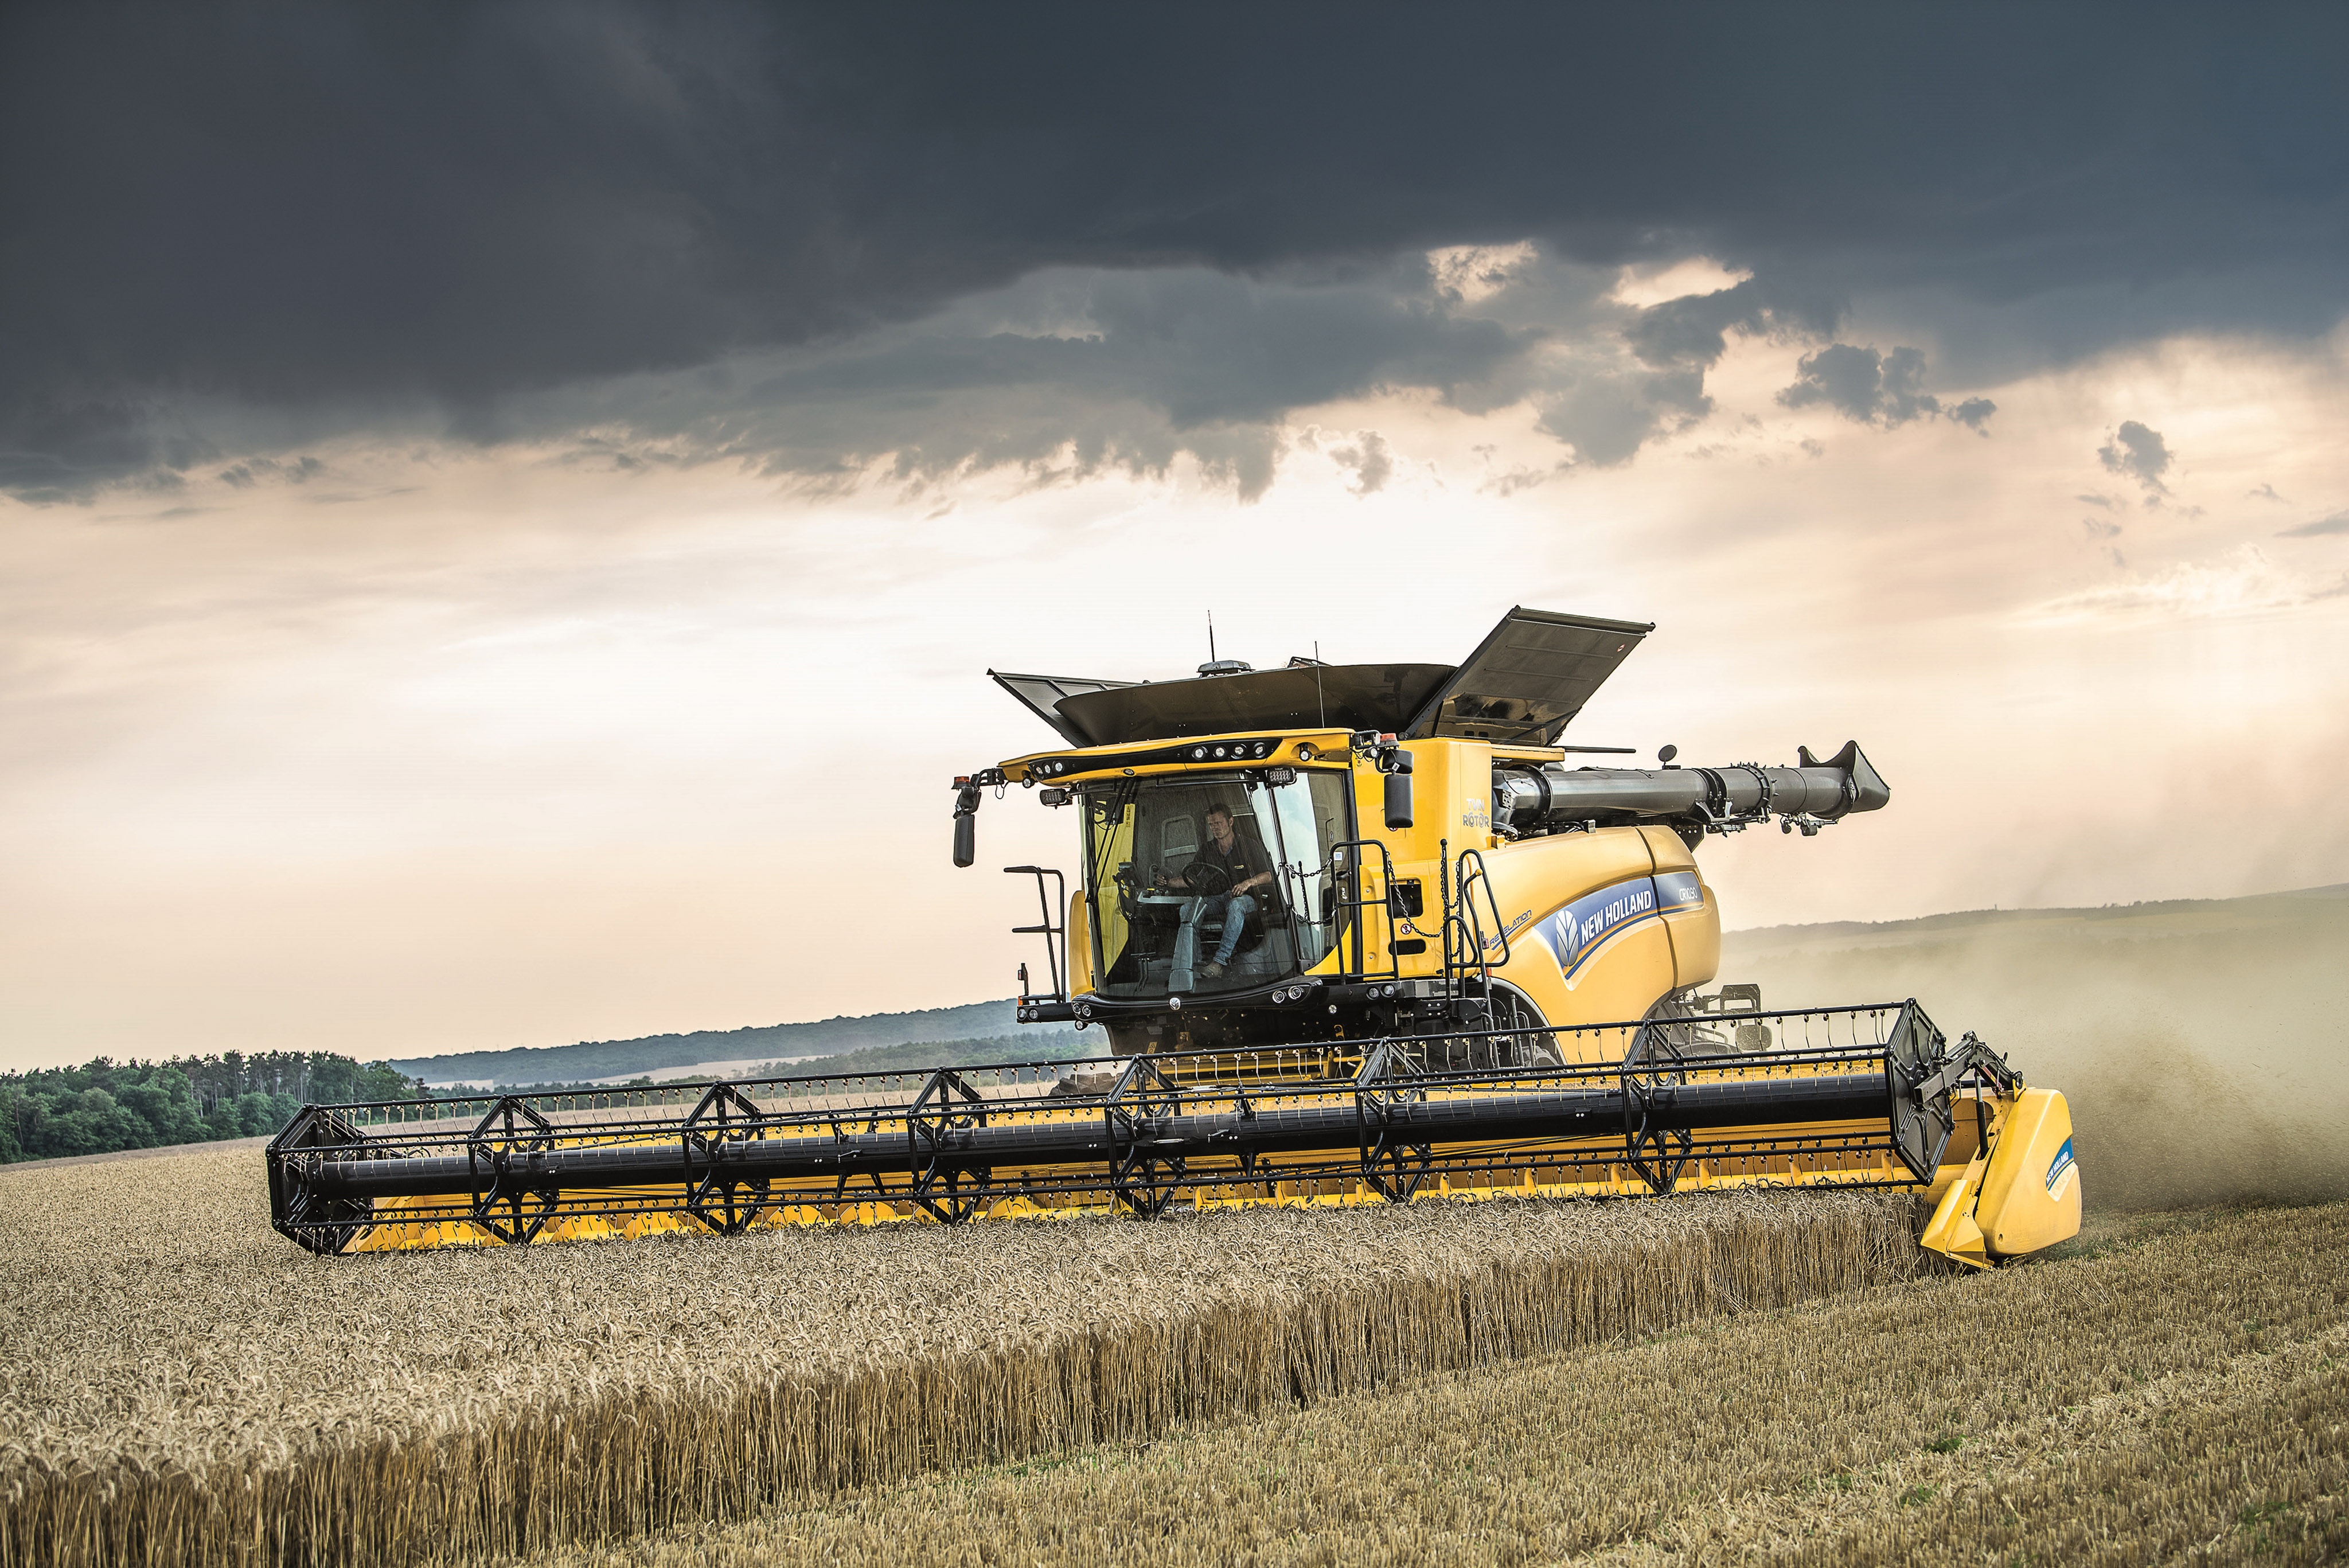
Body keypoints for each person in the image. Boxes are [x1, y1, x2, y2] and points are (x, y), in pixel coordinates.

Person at [1158, 803, 1274, 980]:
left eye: (1219, 823)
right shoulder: (1207, 849)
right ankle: (1194, 963)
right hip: (1217, 899)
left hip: (1246, 899)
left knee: (1236, 905)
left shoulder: (1249, 845)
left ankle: (1219, 963)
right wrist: (1168, 883)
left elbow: (1268, 875)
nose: (1215, 828)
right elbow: (1192, 879)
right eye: (1212, 825)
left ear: (1231, 822)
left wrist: (1247, 883)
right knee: (1187, 910)